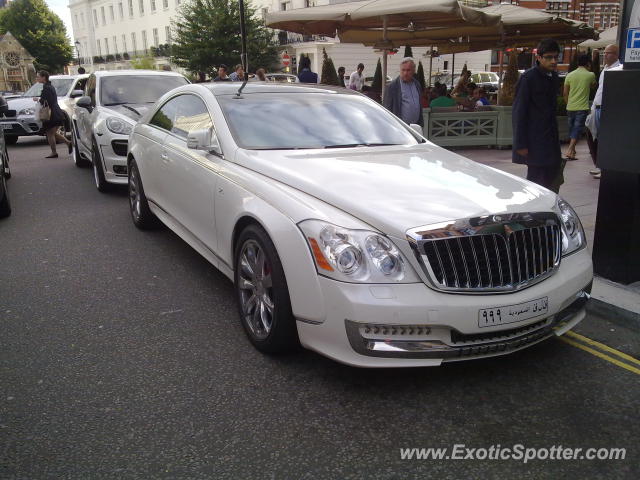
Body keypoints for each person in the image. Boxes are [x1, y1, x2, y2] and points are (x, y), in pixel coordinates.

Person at [512, 39, 563, 193]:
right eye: (548, 57)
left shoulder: (554, 77)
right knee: (536, 181)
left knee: (552, 178)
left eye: (556, 57)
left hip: (551, 139)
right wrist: (520, 144)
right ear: (539, 57)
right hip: (534, 140)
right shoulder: (529, 78)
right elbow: (519, 111)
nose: (553, 61)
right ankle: (533, 213)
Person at [585, 44, 620, 178]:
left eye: (608, 53)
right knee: (594, 137)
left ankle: (605, 167)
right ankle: (600, 165)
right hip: (597, 108)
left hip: (605, 109)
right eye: (604, 53)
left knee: (603, 140)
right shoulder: (605, 69)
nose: (605, 55)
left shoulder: (618, 69)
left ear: (616, 54)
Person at [563, 54, 596, 160]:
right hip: (582, 107)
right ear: (588, 63)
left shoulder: (570, 75)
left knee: (572, 129)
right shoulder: (590, 75)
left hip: (570, 107)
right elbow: (594, 86)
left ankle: (572, 152)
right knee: (577, 129)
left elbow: (565, 93)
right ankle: (570, 149)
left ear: (577, 63)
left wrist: (568, 103)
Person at [35, 70, 71, 158]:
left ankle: (54, 152)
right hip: (56, 111)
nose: (37, 78)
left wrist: (38, 99)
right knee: (53, 133)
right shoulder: (49, 86)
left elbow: (47, 101)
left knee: (50, 133)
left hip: (52, 113)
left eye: (38, 76)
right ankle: (68, 143)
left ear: (44, 77)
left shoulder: (46, 88)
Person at [383, 57, 424, 127]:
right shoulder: (392, 87)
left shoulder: (417, 84)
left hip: (416, 126)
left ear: (414, 70)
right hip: (400, 128)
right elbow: (386, 110)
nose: (405, 73)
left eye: (408, 70)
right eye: (403, 70)